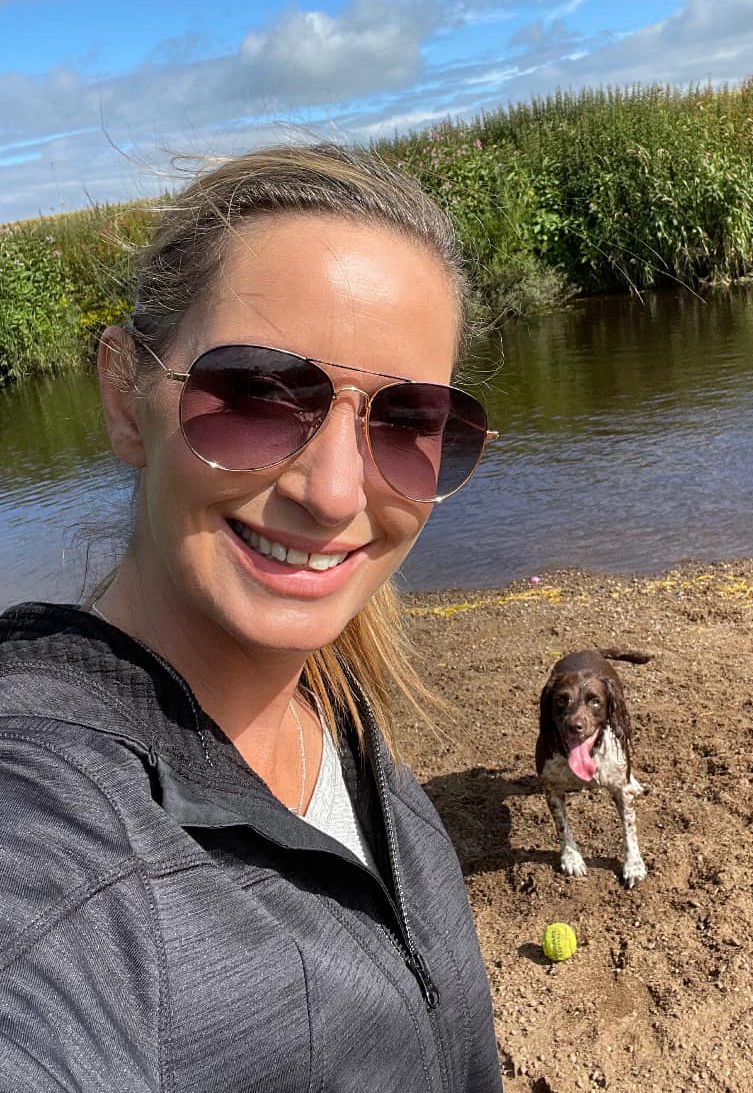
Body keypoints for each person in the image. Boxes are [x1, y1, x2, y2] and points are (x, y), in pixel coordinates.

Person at [0, 145, 503, 1091]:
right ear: (123, 395)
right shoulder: (56, 839)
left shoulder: (337, 704)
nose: (336, 493)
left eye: (407, 421)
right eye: (256, 396)